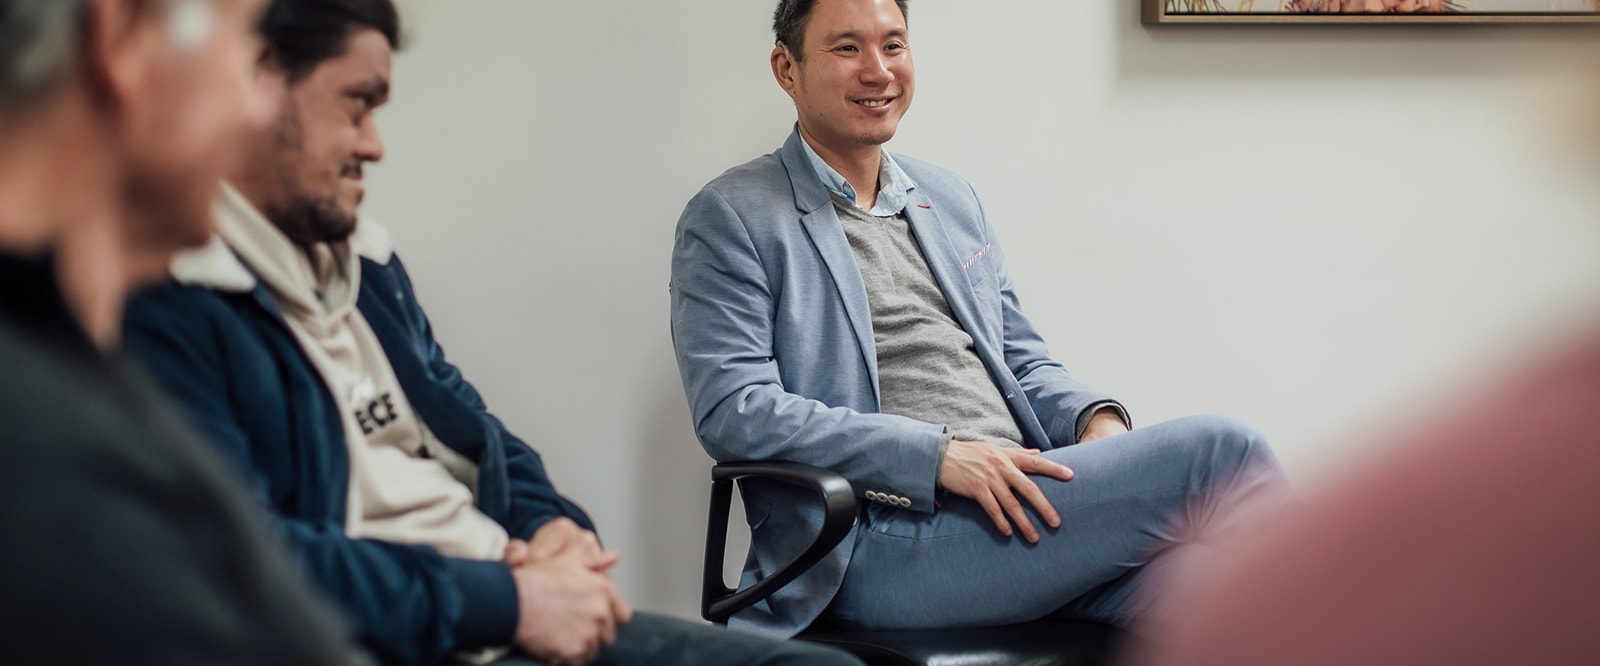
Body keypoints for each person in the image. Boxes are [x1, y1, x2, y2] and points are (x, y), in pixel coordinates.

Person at [122, 1, 863, 665]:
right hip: (425, 626)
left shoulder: (366, 266)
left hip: (502, 601)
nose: (376, 144)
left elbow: (478, 433)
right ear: (257, 87)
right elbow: (242, 562)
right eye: (356, 106)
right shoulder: (172, 297)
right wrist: (509, 601)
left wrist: (555, 533)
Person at [669, 0, 1294, 639]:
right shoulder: (733, 216)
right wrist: (934, 457)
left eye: (893, 45)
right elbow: (735, 409)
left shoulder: (950, 199)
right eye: (846, 48)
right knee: (1222, 451)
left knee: (1220, 594)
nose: (878, 71)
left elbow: (1021, 362)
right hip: (878, 540)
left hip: (1017, 506)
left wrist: (1095, 424)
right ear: (786, 68)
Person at [0, 0, 358, 664]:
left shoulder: (76, 375)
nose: (254, 107)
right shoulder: (55, 485)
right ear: (123, 37)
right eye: (241, 39)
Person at [1136, 327, 1600, 665]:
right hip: (1058, 503)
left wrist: (1093, 415)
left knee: (1199, 588)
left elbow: (1055, 369)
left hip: (1072, 489)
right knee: (1221, 450)